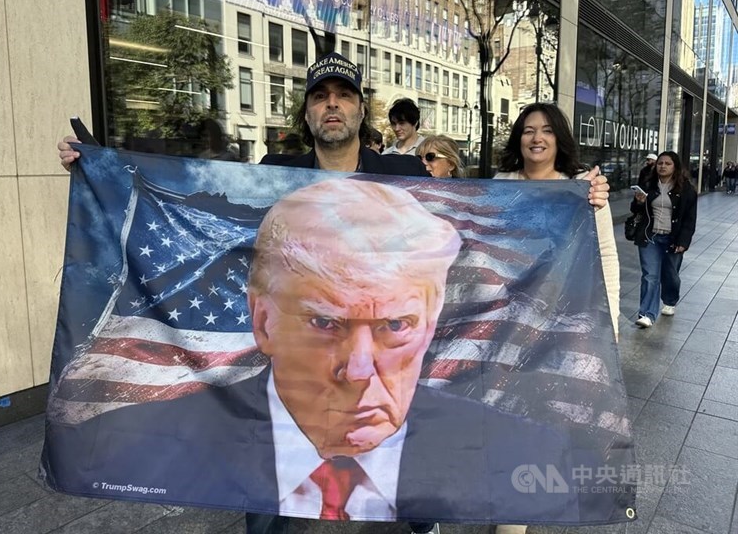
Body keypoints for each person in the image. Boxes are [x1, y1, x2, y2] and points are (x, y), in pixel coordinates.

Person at [56, 53, 611, 533]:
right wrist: (96, 169)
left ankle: (415, 513)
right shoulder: (276, 173)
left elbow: (483, 217)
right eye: (320, 97)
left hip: (410, 432)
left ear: (360, 110)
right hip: (275, 411)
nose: (332, 105)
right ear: (307, 113)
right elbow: (202, 215)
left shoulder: (402, 172)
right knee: (266, 495)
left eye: (343, 96)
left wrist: (575, 197)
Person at [45, 177, 587, 529]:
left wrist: (586, 198)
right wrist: (90, 172)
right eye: (326, 323)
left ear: (432, 321)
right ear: (262, 320)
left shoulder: (523, 447)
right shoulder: (137, 432)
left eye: (395, 326)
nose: (358, 369)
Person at [495, 103, 620, 342]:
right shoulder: (501, 183)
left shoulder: (586, 188)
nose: (537, 138)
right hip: (512, 313)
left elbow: (605, 256)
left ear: (559, 138)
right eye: (528, 131)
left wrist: (611, 321)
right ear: (519, 139)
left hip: (566, 311)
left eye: (548, 130)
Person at [631, 151, 697, 328]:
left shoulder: (686, 189)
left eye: (668, 163)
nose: (663, 166)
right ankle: (647, 314)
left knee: (671, 275)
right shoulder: (648, 184)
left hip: (673, 238)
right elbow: (635, 209)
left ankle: (670, 300)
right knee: (650, 276)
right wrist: (638, 202)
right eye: (660, 163)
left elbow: (690, 219)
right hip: (650, 236)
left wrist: (683, 242)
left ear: (675, 167)